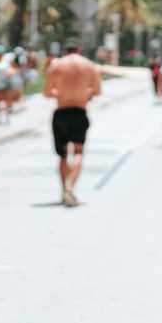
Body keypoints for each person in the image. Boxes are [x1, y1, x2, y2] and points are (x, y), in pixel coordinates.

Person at [43, 44, 102, 207]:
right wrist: (84, 93)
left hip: (61, 112)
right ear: (79, 50)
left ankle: (64, 190)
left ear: (65, 50)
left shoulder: (56, 65)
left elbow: (47, 93)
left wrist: (61, 93)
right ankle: (70, 188)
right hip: (79, 111)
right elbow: (97, 91)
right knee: (77, 152)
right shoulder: (89, 66)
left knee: (62, 154)